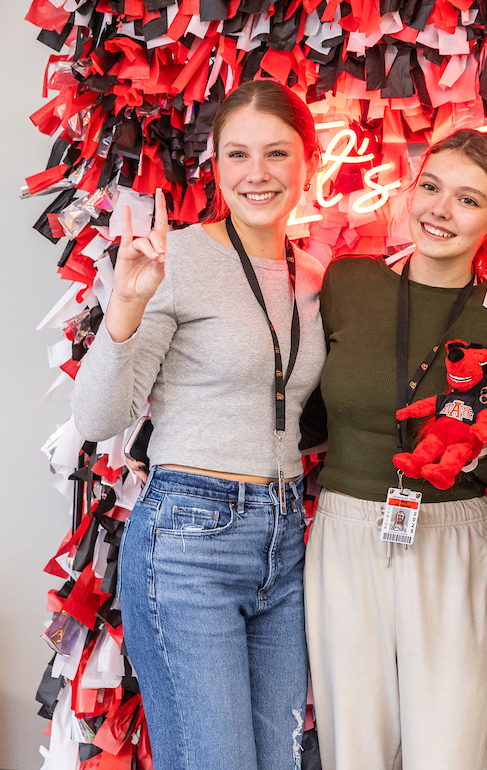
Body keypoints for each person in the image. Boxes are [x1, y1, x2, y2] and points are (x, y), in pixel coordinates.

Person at [72, 80, 324, 770]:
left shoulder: (312, 274)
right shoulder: (174, 259)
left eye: (277, 153)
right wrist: (123, 303)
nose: (257, 173)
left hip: (285, 540)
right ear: (213, 162)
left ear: (309, 160)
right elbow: (98, 418)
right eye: (237, 154)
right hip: (190, 541)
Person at [303, 129, 487, 770]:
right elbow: (310, 412)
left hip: (452, 533)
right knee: (356, 744)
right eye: (431, 187)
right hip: (346, 527)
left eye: (467, 199)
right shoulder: (348, 284)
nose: (440, 210)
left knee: (452, 746)